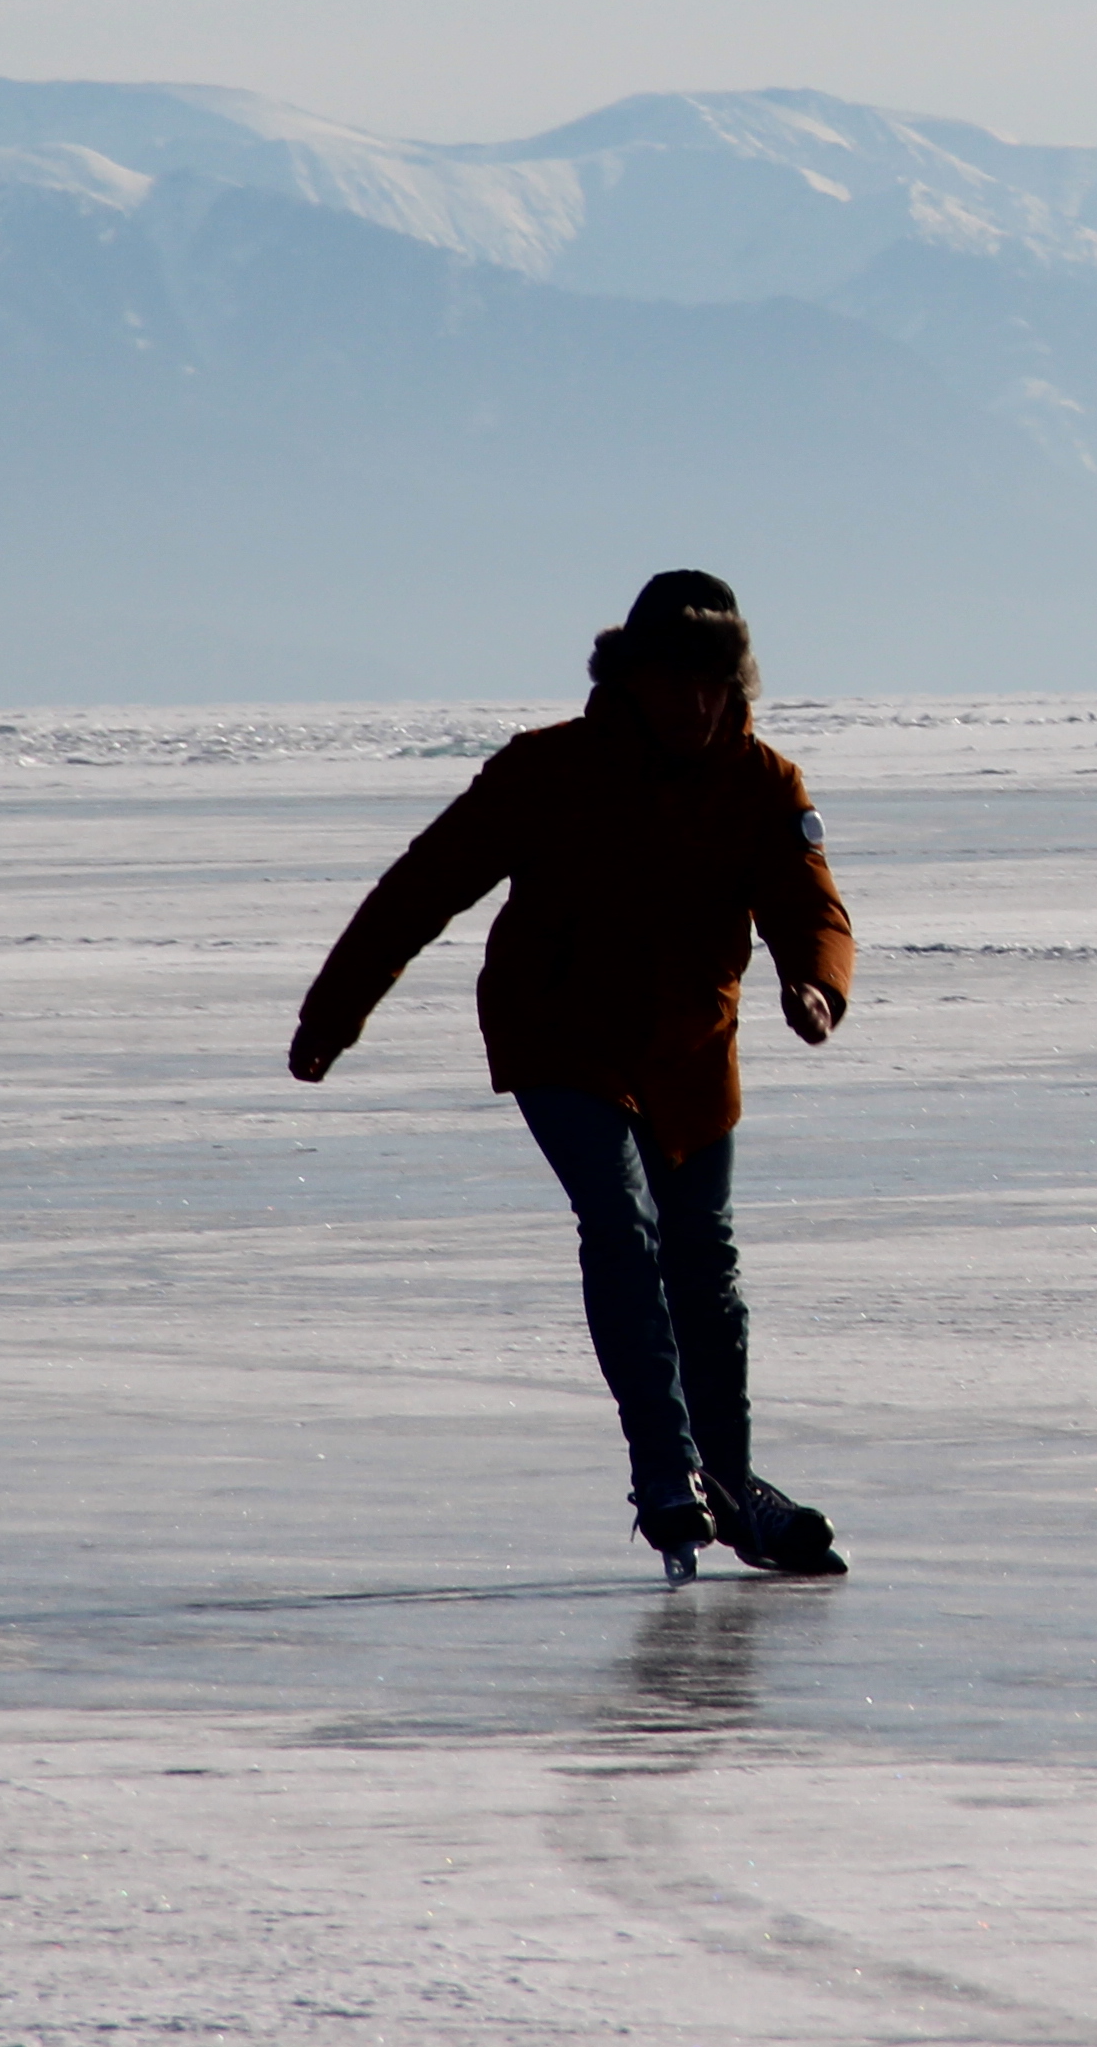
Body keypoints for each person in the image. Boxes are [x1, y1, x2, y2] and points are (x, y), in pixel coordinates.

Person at [288, 569, 857, 1581]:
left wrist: (815, 982)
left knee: (705, 1266)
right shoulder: (547, 770)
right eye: (674, 683)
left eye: (715, 685)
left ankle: (731, 1487)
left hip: (690, 1054)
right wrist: (334, 1013)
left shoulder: (763, 782)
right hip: (560, 1038)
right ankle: (667, 1474)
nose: (695, 706)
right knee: (623, 1228)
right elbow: (421, 889)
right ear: (629, 680)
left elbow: (809, 905)